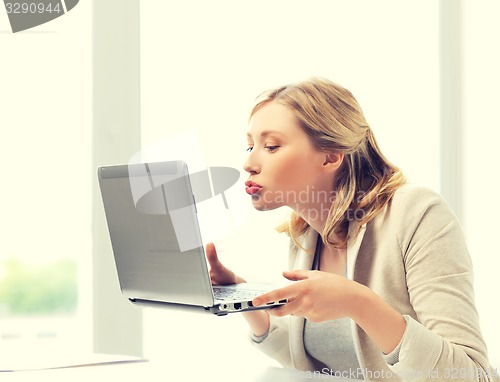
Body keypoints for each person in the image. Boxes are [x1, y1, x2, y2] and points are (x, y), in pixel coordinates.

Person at [206, 78, 498, 381]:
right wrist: (241, 297)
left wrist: (358, 303)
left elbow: (470, 375)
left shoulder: (418, 213)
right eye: (250, 145)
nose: (249, 163)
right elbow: (319, 364)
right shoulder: (306, 234)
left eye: (271, 146)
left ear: (331, 156)